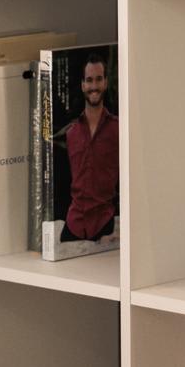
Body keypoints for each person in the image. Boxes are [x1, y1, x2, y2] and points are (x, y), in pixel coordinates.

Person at [62, 53, 118, 241]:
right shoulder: (71, 133)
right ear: (82, 85)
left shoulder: (119, 129)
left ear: (106, 82)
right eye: (89, 80)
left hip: (105, 225)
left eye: (99, 79)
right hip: (73, 226)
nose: (94, 86)